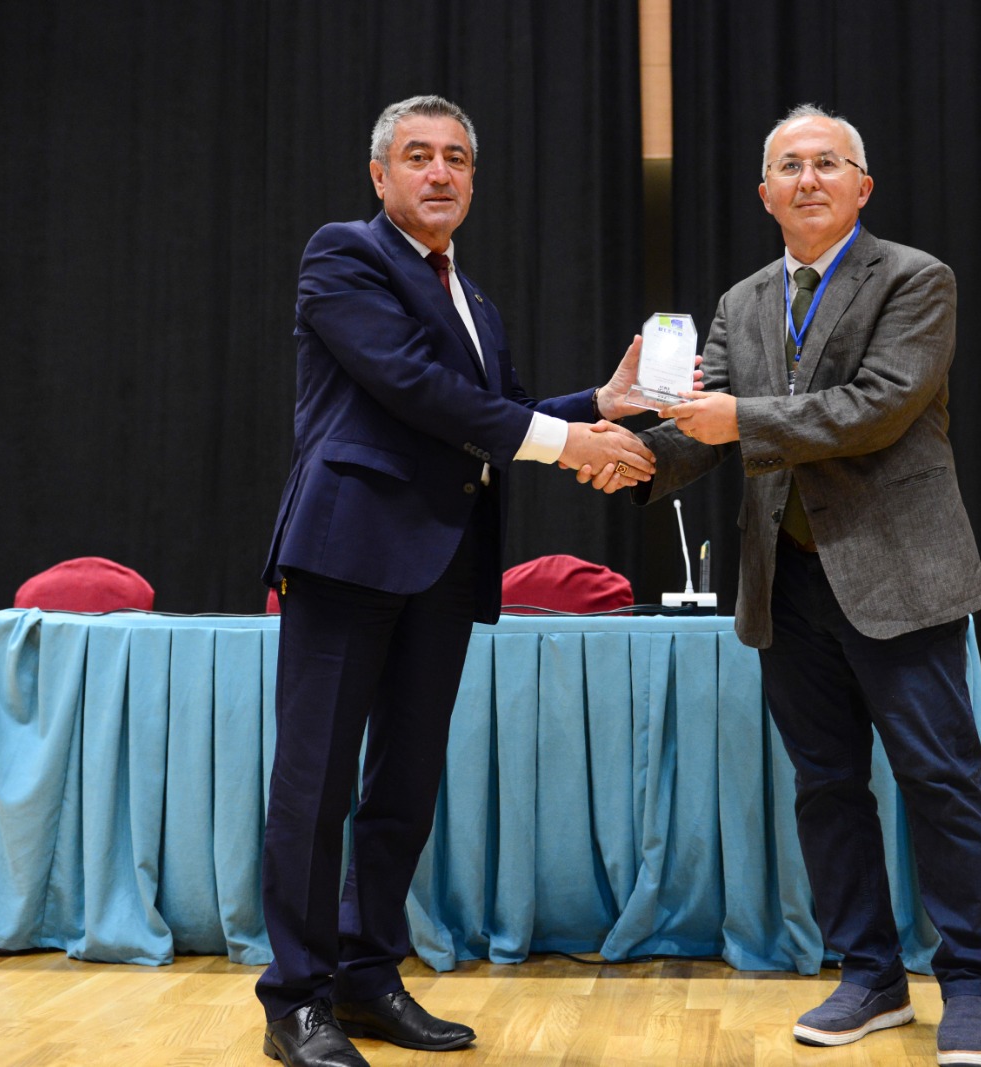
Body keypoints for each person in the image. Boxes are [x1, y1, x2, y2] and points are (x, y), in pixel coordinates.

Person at [579, 104, 981, 1065]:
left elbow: (876, 408)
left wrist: (738, 420)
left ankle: (973, 983)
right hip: (786, 582)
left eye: (828, 163)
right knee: (826, 787)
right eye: (789, 167)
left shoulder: (916, 279)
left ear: (863, 186)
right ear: (764, 193)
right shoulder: (740, 302)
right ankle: (870, 975)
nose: (808, 179)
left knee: (939, 779)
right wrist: (630, 458)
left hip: (901, 575)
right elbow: (702, 426)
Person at [257, 94, 658, 1067]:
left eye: (456, 158)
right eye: (417, 155)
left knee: (403, 784)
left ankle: (365, 975)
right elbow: (414, 388)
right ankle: (295, 999)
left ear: (474, 179)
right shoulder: (344, 254)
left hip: (441, 563)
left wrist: (598, 404)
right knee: (315, 784)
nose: (439, 172)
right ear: (380, 174)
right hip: (347, 552)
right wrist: (569, 443)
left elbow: (489, 411)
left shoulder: (472, 297)